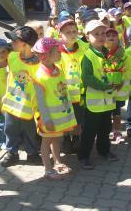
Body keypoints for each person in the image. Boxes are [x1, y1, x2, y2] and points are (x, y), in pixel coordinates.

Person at [32, 38, 78, 179]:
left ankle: (57, 161)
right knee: (46, 142)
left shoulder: (58, 70)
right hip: (48, 119)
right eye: (57, 51)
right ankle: (48, 169)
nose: (60, 53)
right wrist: (46, 120)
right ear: (45, 55)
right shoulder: (39, 76)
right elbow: (40, 101)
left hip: (60, 117)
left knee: (57, 139)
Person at [78, 20, 119, 169]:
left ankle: (104, 151)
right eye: (96, 34)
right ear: (87, 37)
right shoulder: (87, 56)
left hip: (107, 102)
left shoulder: (108, 53)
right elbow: (87, 78)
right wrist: (104, 86)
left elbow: (114, 71)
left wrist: (117, 80)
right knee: (89, 131)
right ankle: (83, 156)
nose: (101, 37)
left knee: (105, 129)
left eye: (103, 33)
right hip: (93, 104)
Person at [1, 26, 41, 167]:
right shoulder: (12, 57)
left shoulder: (38, 64)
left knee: (29, 130)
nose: (11, 43)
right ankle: (12, 153)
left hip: (28, 106)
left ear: (24, 44)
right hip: (11, 103)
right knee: (10, 129)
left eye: (14, 40)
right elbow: (9, 76)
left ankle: (32, 153)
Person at [58, 18, 89, 153]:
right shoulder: (56, 51)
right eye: (67, 32)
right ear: (60, 35)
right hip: (63, 93)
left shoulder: (84, 47)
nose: (72, 34)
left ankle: (76, 138)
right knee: (65, 118)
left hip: (80, 93)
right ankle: (65, 139)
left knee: (78, 118)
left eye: (74, 31)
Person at [104, 28, 131, 144]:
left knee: (117, 112)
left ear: (118, 38)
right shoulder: (102, 53)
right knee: (105, 113)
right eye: (108, 35)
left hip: (119, 88)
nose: (111, 37)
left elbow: (127, 69)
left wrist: (122, 82)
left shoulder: (123, 54)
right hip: (106, 89)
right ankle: (105, 132)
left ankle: (117, 131)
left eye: (114, 35)